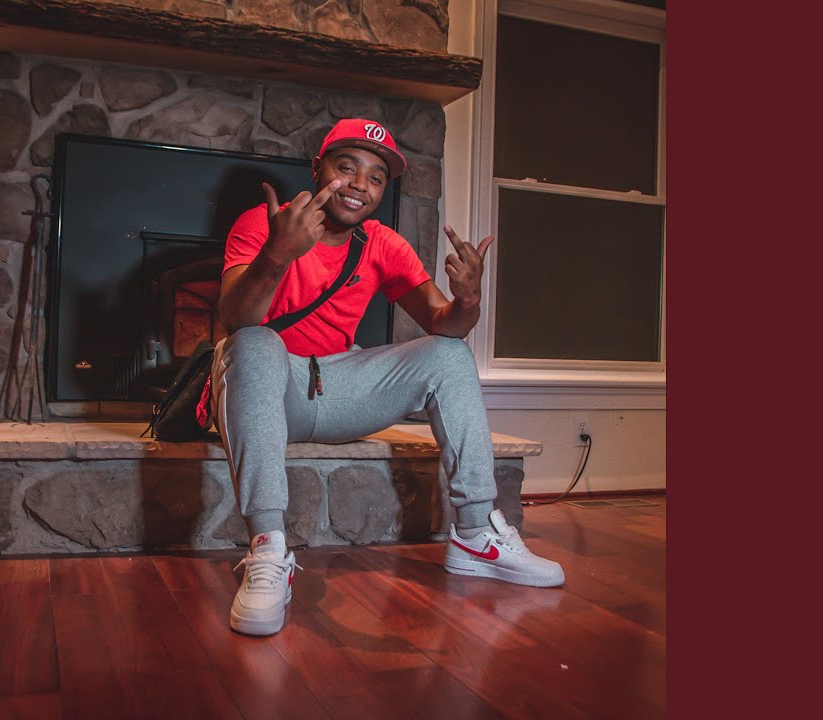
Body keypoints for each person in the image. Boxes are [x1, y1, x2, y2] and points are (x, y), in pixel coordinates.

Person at [213, 118, 564, 637]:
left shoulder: (382, 243)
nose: (360, 185)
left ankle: (475, 535)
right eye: (347, 167)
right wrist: (277, 255)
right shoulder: (266, 224)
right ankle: (268, 549)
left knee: (449, 354)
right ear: (318, 169)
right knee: (256, 342)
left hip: (337, 389)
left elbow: (445, 325)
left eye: (376, 178)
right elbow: (235, 320)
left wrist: (469, 299)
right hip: (268, 386)